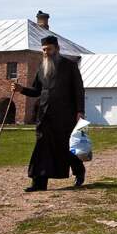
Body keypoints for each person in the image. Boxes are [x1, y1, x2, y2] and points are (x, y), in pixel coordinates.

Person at [11, 35, 86, 192]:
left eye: (49, 49)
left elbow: (78, 90)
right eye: (44, 50)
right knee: (41, 148)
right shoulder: (41, 67)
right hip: (45, 115)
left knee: (67, 147)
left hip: (66, 115)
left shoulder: (69, 66)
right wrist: (21, 89)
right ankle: (39, 183)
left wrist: (80, 111)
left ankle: (79, 171)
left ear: (57, 49)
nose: (46, 52)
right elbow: (36, 91)